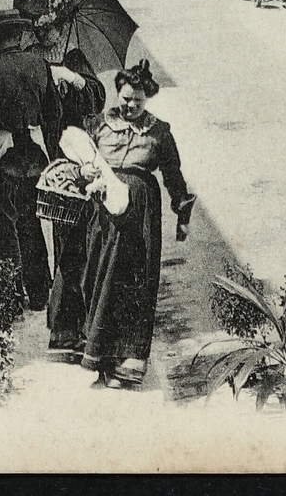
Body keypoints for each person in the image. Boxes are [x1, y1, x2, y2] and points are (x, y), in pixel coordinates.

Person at [71, 61, 194, 387]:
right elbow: (79, 164)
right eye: (126, 98)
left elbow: (173, 175)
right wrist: (84, 175)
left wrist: (182, 214)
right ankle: (100, 359)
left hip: (141, 215)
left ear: (147, 97)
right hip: (103, 214)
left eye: (137, 100)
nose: (130, 105)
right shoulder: (98, 125)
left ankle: (127, 363)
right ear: (119, 93)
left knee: (134, 283)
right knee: (96, 278)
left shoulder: (160, 132)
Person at [0, 9, 61, 310]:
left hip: (3, 161)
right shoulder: (40, 65)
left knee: (2, 227)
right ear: (20, 36)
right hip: (33, 157)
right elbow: (54, 113)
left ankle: (8, 294)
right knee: (33, 225)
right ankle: (40, 293)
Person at [41, 47, 108, 364]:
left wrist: (73, 78)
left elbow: (97, 96)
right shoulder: (40, 68)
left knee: (83, 252)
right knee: (70, 252)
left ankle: (75, 330)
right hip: (62, 178)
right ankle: (66, 331)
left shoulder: (74, 60)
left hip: (82, 173)